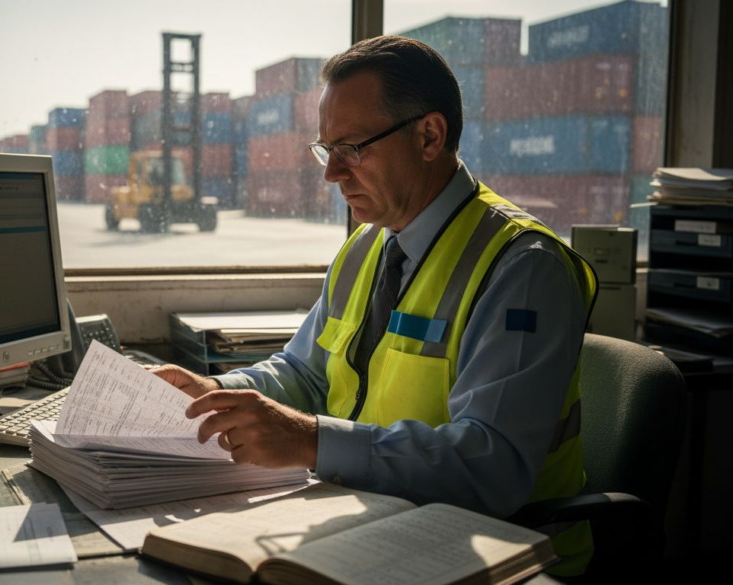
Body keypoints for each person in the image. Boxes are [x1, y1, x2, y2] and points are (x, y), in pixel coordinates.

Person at [152, 35, 597, 576]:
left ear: (430, 136)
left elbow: (492, 467)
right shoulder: (367, 246)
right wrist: (220, 393)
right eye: (326, 149)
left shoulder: (523, 267)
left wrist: (311, 440)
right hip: (376, 521)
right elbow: (306, 373)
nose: (331, 173)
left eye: (352, 148)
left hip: (499, 553)